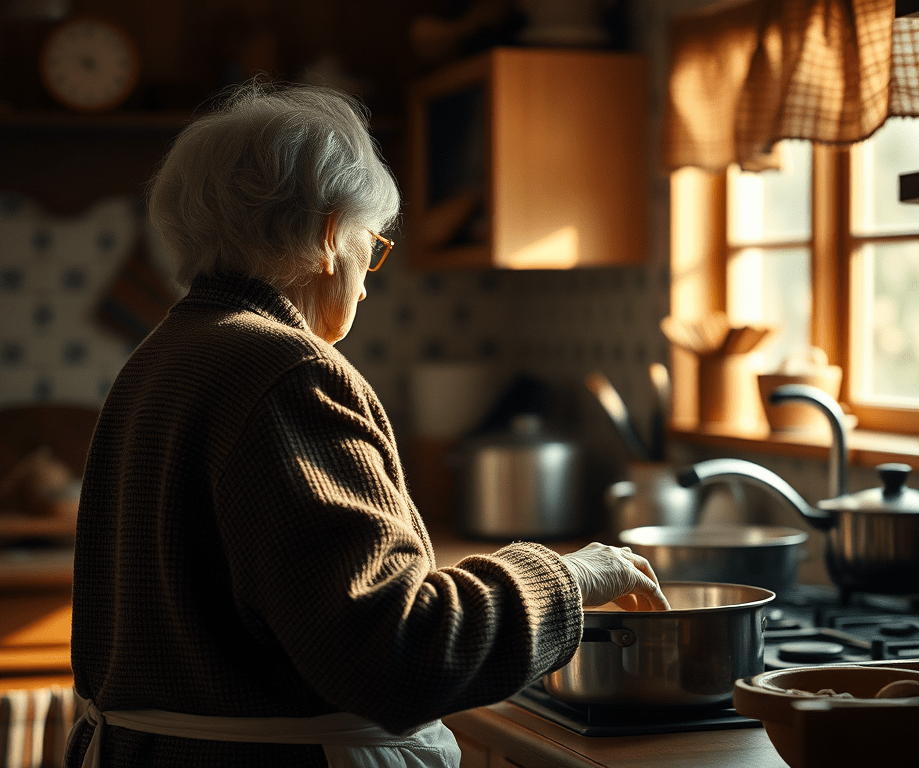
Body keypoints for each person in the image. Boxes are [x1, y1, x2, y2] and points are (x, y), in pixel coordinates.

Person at [64, 80, 670, 768]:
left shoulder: (160, 357)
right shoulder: (286, 371)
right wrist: (569, 577)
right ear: (328, 235)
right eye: (371, 246)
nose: (367, 279)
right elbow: (399, 652)